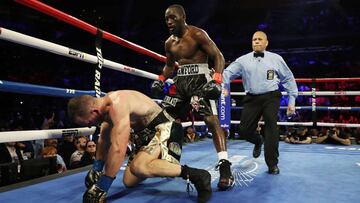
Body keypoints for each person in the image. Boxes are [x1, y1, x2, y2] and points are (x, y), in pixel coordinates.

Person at [67, 90, 212, 203]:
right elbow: (104, 139)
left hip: (166, 128)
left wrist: (102, 186)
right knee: (129, 181)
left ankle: (198, 175)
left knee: (139, 167)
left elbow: (118, 148)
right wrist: (97, 168)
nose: (90, 125)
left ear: (94, 111)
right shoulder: (105, 108)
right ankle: (160, 164)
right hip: (147, 137)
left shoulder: (117, 105)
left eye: (87, 122)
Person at [151, 4, 233, 190]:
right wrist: (162, 79)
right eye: (166, 19)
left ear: (182, 17)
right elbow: (170, 66)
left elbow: (218, 56)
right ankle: (170, 157)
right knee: (165, 117)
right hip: (181, 82)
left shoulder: (197, 34)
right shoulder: (169, 43)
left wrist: (216, 80)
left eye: (173, 17)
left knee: (211, 120)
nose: (169, 21)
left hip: (201, 80)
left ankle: (225, 165)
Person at [222, 31, 298, 174]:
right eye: (254, 39)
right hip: (252, 98)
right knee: (243, 130)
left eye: (259, 39)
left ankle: (272, 164)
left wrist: (292, 100)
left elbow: (288, 78)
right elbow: (227, 74)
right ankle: (258, 141)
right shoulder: (243, 60)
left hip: (271, 96)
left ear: (266, 42)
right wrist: (217, 81)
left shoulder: (276, 58)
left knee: (271, 127)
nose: (256, 41)